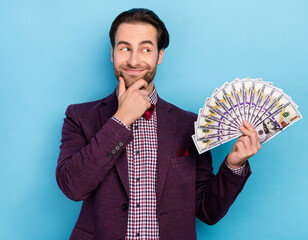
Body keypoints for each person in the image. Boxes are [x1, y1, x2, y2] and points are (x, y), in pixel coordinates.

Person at [56, 8, 261, 240]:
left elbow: (207, 211)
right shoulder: (79, 116)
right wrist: (121, 120)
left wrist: (234, 164)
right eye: (124, 48)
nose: (134, 60)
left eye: (145, 49)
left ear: (159, 55)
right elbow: (72, 187)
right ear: (112, 53)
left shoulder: (191, 124)